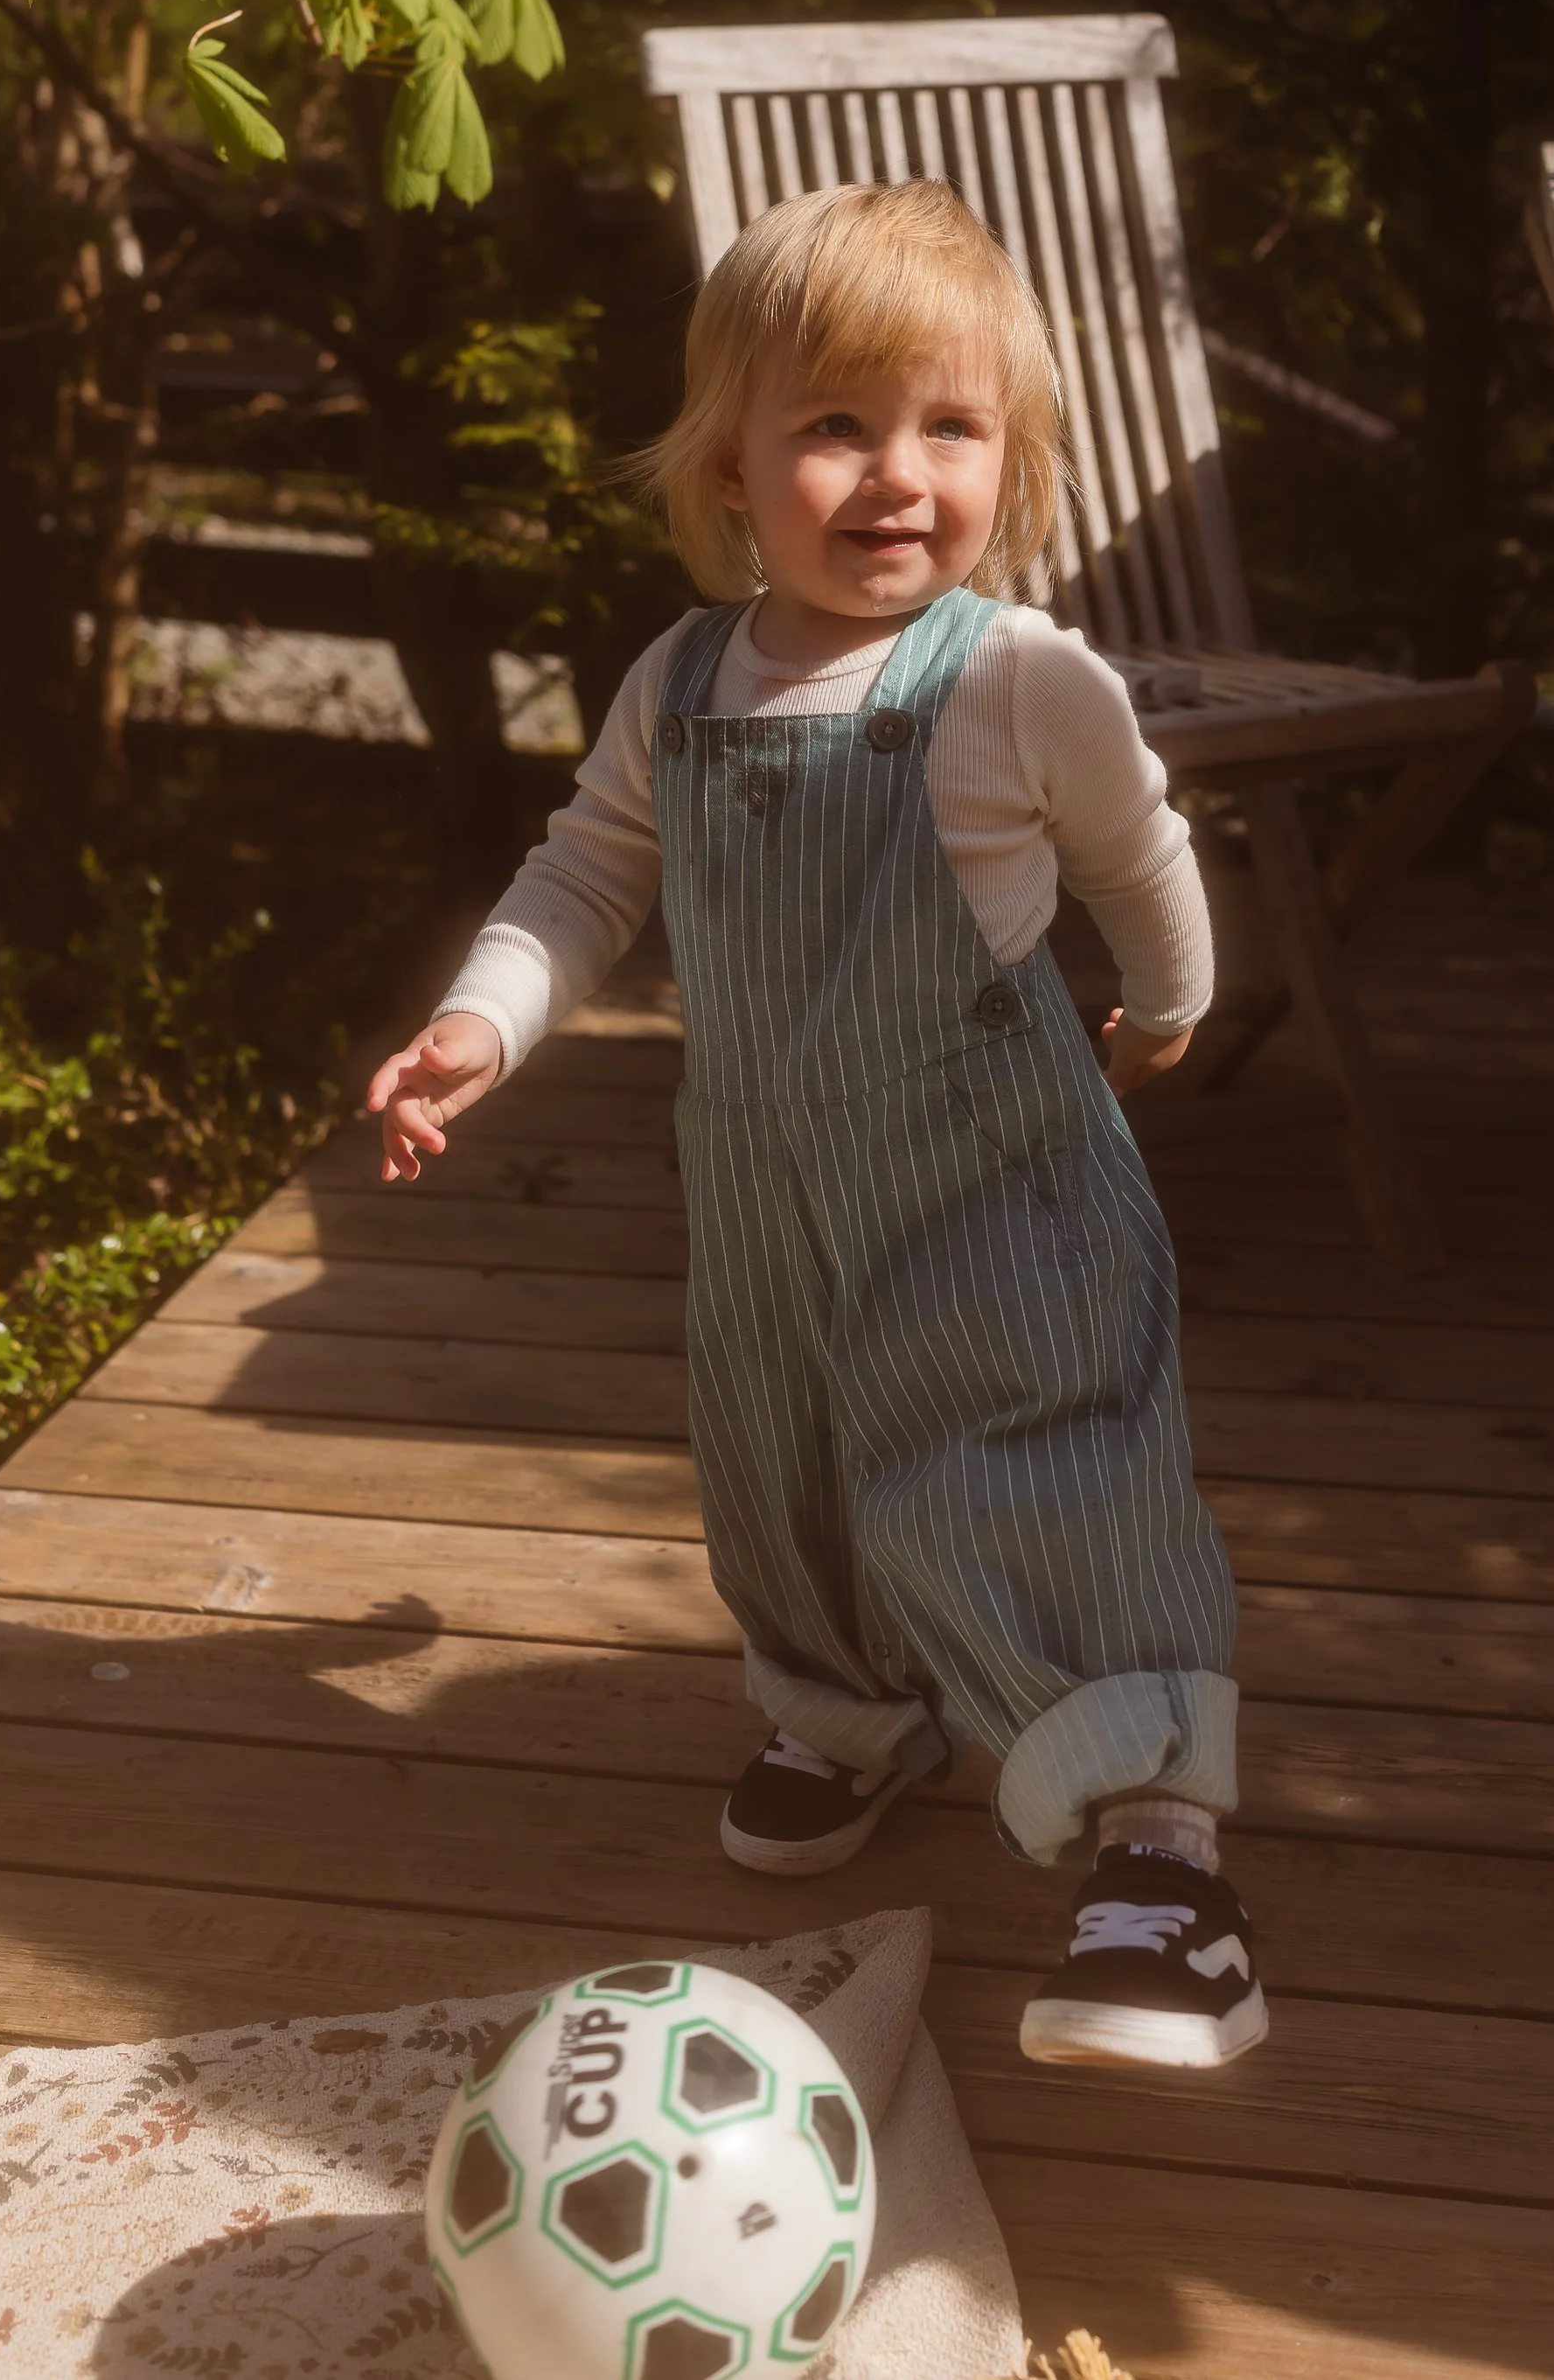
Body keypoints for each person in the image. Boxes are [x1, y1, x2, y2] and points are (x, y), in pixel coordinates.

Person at [368, 179, 1262, 2071]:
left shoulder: (1015, 675)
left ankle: (1161, 1867)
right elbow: (583, 874)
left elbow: (1141, 852)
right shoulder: (683, 681)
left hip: (990, 1175)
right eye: (837, 425)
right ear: (730, 466)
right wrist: (481, 1019)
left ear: (1009, 462)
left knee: (1035, 1463)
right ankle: (853, 1711)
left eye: (949, 427)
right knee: (783, 1457)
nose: (896, 475)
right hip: (769, 1179)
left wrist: (1171, 1003)